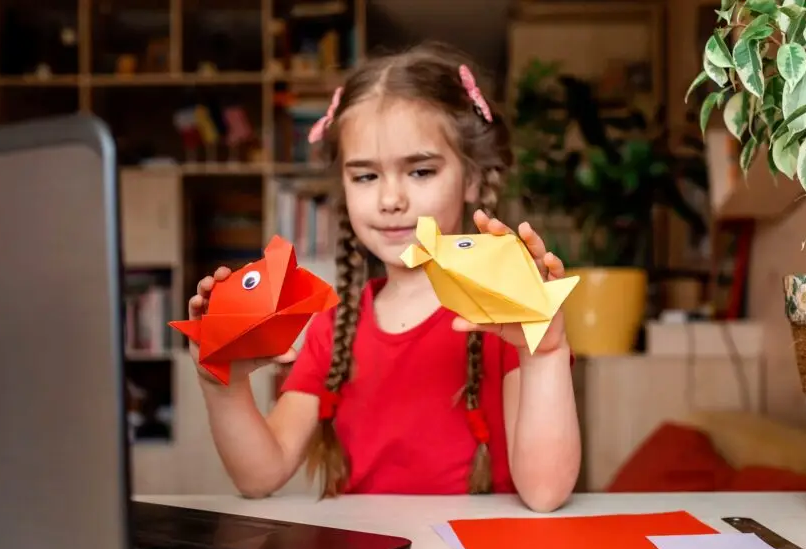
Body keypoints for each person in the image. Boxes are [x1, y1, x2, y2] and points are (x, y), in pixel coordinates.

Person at [186, 42, 581, 512]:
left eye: (419, 170)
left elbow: (544, 493)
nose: (390, 199)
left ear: (473, 178)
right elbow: (260, 475)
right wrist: (222, 383)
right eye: (366, 177)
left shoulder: (505, 317)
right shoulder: (336, 328)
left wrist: (545, 352)